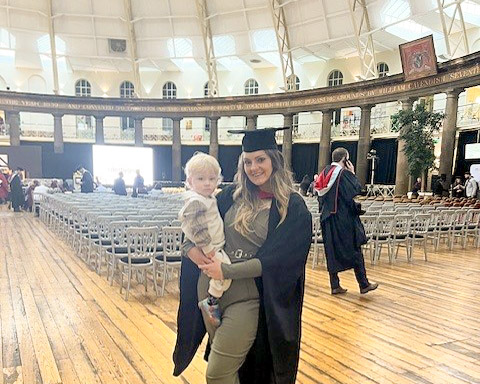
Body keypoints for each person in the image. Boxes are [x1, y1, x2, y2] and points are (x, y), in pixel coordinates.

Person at [173, 128, 312, 384]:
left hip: (252, 299)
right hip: (212, 298)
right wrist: (189, 250)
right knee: (231, 367)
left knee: (221, 372)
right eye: (247, 161)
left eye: (261, 160)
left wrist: (226, 271)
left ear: (274, 160)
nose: (253, 167)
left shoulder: (291, 207)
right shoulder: (229, 196)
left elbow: (278, 261)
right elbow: (195, 229)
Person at [315, 147, 378, 295]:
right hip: (342, 218)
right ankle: (363, 284)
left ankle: (335, 285)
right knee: (355, 248)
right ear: (345, 159)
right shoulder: (343, 174)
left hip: (327, 218)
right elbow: (355, 190)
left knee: (331, 251)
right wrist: (353, 173)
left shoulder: (324, 173)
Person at [179, 152, 231, 328]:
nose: (207, 183)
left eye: (212, 178)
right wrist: (208, 250)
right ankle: (211, 302)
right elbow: (197, 229)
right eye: (201, 179)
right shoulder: (196, 201)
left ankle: (212, 299)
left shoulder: (209, 198)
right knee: (225, 273)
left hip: (215, 246)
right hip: (210, 249)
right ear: (190, 181)